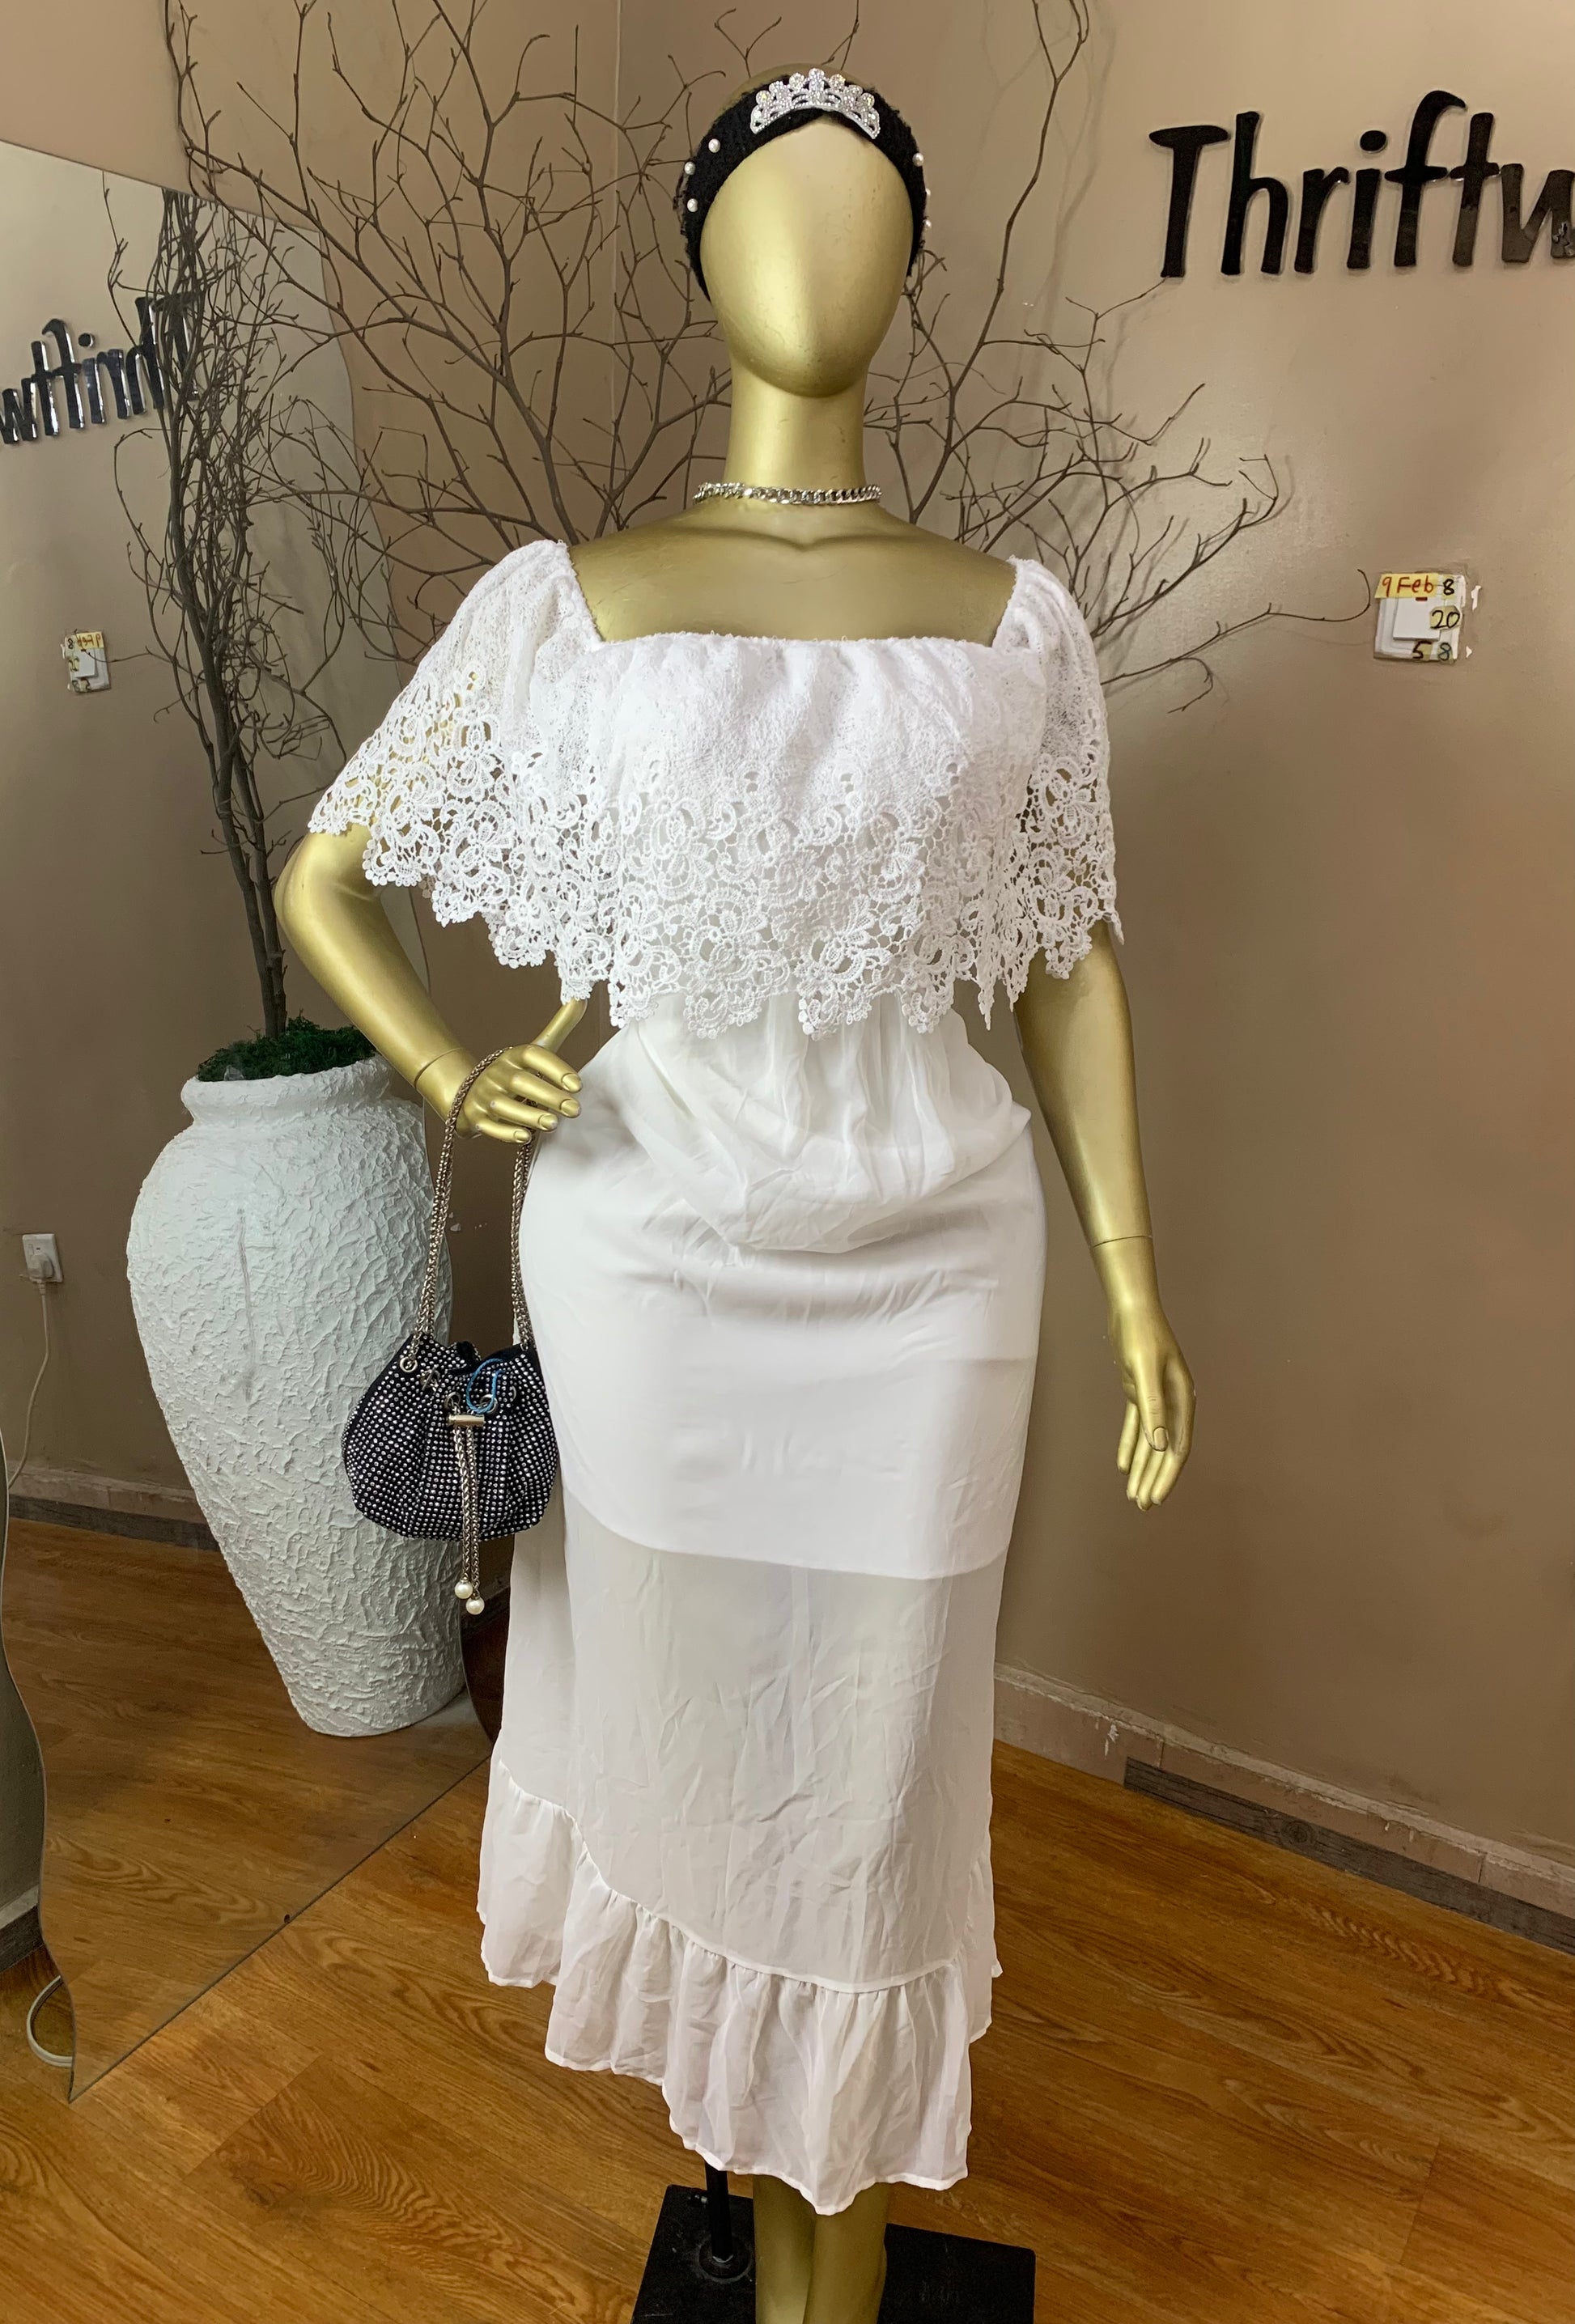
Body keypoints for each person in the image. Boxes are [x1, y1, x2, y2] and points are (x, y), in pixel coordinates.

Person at [278, 66, 1194, 2324]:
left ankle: (824, 2240)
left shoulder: (1014, 626)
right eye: (781, 200)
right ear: (700, 254)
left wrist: (1132, 1275)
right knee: (693, 1732)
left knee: (875, 1772)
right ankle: (752, 2182)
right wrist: (449, 1069)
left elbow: (1069, 960)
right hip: (653, 1257)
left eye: (869, 207)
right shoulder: (563, 608)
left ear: (914, 266)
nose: (823, 245)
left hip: (934, 1271)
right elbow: (328, 876)